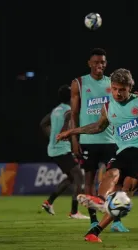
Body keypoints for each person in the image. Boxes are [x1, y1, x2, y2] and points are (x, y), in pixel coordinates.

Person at [56, 68, 138, 242]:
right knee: (112, 176)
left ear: (130, 87)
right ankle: (97, 213)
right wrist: (72, 132)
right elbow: (98, 127)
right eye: (114, 89)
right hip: (124, 151)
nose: (118, 93)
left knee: (125, 190)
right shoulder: (108, 107)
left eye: (122, 89)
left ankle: (98, 221)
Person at [70, 48, 121, 230]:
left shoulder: (113, 83)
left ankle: (115, 221)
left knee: (115, 179)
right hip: (88, 140)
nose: (100, 65)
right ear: (89, 63)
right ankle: (93, 220)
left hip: (110, 140)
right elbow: (74, 114)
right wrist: (75, 140)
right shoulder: (79, 83)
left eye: (103, 62)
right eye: (96, 62)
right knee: (89, 180)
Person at [39, 85, 88, 219]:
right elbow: (69, 130)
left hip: (53, 149)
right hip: (62, 150)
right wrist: (74, 147)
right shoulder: (68, 111)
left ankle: (49, 202)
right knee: (79, 177)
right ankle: (74, 212)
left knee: (71, 178)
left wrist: (52, 137)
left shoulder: (56, 110)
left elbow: (43, 123)